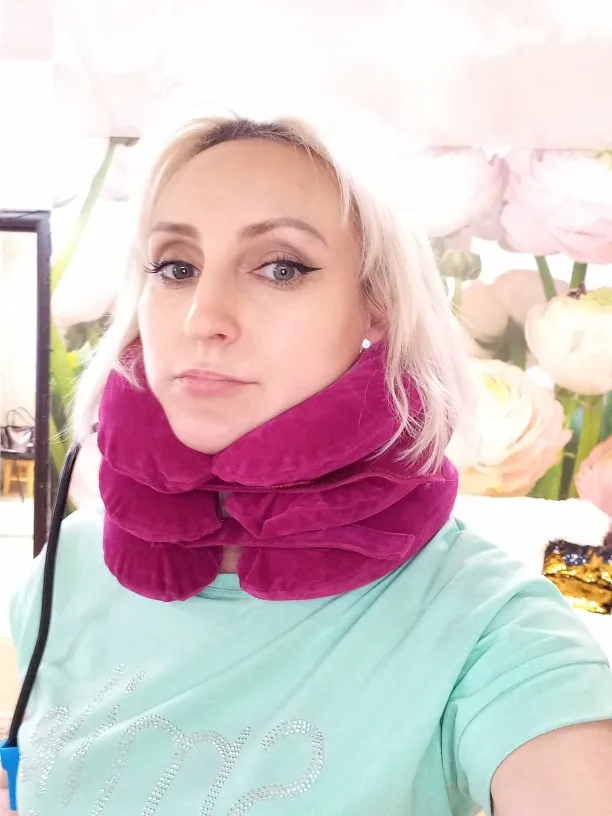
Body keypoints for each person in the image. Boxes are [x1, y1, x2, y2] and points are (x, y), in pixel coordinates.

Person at [2, 115, 612, 816]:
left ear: (376, 305)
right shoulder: (70, 568)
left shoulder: (488, 623)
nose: (203, 317)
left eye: (280, 267)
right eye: (176, 267)